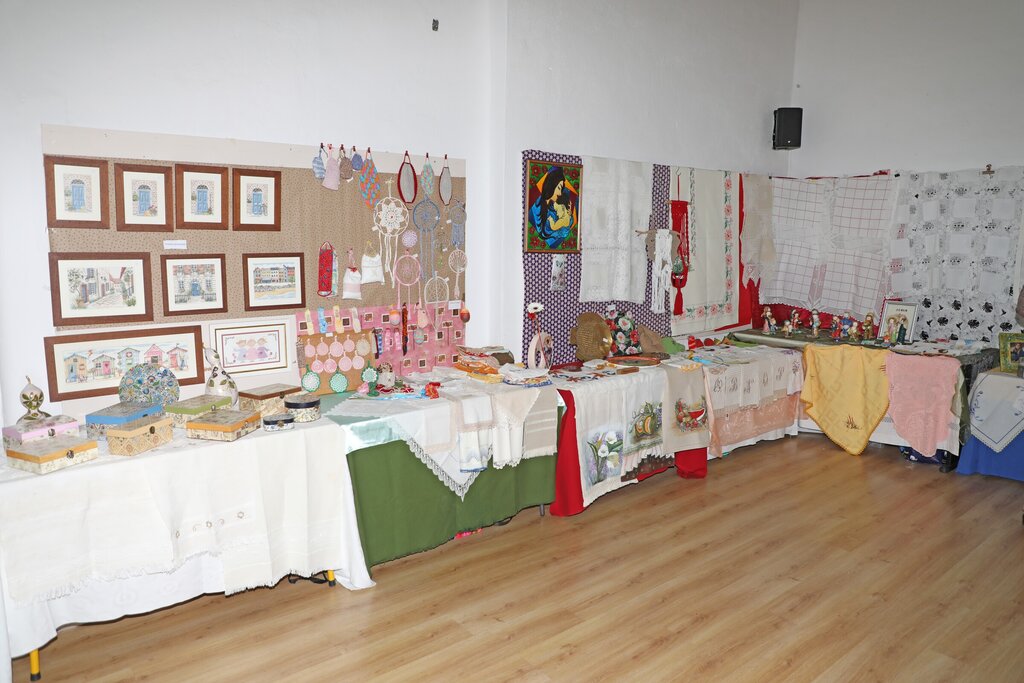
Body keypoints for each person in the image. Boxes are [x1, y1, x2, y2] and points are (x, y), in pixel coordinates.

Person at [529, 167, 575, 249]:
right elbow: (545, 231)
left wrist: (569, 215)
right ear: (551, 185)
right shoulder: (536, 207)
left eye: (561, 189)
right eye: (559, 188)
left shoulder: (555, 205)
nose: (560, 193)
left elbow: (567, 222)